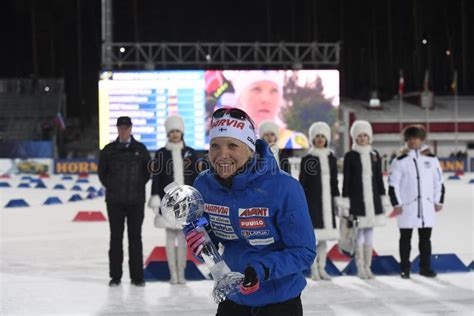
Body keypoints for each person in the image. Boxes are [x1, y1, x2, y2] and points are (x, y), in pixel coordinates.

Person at [185, 108, 316, 315]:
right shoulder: (204, 185)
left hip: (280, 303)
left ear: (250, 148)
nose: (222, 155)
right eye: (215, 146)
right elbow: (207, 241)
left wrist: (260, 270)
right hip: (233, 301)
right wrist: (200, 246)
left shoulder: (284, 188)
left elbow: (304, 252)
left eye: (232, 145)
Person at [98, 116, 151, 287]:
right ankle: (115, 276)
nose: (123, 130)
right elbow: (102, 174)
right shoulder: (108, 150)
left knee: (135, 238)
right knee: (116, 238)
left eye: (126, 127)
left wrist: (135, 187)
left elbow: (146, 174)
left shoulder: (141, 149)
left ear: (131, 128)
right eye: (121, 127)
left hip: (136, 202)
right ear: (117, 129)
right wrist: (114, 187)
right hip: (114, 201)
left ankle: (137, 277)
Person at [388, 125, 445, 279]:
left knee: (425, 240)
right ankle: (405, 268)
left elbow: (439, 182)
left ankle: (425, 267)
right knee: (405, 239)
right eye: (410, 138)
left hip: (426, 207)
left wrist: (438, 200)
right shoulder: (399, 161)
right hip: (406, 207)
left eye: (416, 138)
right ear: (406, 140)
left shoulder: (432, 160)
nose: (413, 141)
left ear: (422, 140)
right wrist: (397, 204)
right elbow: (393, 185)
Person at [148, 115, 199, 284]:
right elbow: (156, 177)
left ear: (182, 132)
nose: (175, 134)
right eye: (172, 131)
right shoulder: (162, 153)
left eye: (177, 131)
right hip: (167, 203)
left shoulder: (190, 152)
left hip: (187, 203)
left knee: (184, 241)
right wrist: (155, 197)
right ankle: (173, 274)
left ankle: (182, 273)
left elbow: (197, 177)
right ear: (168, 134)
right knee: (170, 239)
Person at [341, 120, 390, 279]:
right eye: (359, 136)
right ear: (355, 137)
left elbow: (379, 179)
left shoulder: (374, 155)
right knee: (358, 235)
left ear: (369, 137)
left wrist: (383, 198)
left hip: (373, 201)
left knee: (369, 235)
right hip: (357, 201)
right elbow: (346, 180)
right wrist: (346, 201)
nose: (362, 138)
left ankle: (368, 267)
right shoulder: (350, 156)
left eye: (365, 135)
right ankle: (360, 267)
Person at [299, 122, 341, 280]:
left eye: (323, 136)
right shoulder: (307, 159)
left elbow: (335, 182)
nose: (320, 139)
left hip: (328, 204)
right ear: (312, 139)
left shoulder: (331, 158)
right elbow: (303, 184)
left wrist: (337, 201)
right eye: (317, 136)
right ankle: (313, 269)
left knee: (324, 239)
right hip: (313, 204)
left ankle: (322, 268)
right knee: (313, 238)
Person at [230, 70, 309, 149]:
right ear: (239, 99)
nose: (266, 99)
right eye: (256, 90)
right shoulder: (225, 141)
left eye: (274, 91)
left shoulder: (293, 142)